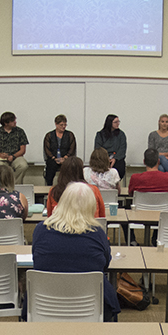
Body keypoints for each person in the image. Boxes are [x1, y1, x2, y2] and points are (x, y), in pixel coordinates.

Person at [32, 183, 121, 322]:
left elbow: (37, 261)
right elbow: (105, 264)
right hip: (90, 306)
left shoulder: (41, 230)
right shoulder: (97, 233)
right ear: (91, 206)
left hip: (45, 304)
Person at [0, 111, 29, 184]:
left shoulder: (20, 131)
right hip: (1, 158)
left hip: (16, 157)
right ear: (6, 123)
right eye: (13, 121)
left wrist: (13, 156)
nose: (15, 122)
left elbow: (22, 150)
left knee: (23, 165)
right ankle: (2, 187)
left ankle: (14, 184)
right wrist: (1, 155)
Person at [41, 114, 76, 187]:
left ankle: (68, 186)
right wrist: (54, 158)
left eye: (65, 125)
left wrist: (65, 158)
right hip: (53, 158)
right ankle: (49, 186)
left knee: (70, 165)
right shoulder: (49, 135)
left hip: (66, 158)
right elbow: (47, 149)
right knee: (51, 165)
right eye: (61, 125)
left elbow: (72, 148)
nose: (63, 127)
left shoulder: (70, 135)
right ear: (56, 124)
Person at [93, 113, 127, 180]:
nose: (118, 123)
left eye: (118, 121)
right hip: (103, 159)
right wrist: (106, 158)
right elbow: (98, 148)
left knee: (119, 167)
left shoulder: (121, 134)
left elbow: (122, 148)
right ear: (110, 123)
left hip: (117, 159)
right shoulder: (100, 134)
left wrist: (115, 158)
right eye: (115, 122)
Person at [146, 113, 168, 181]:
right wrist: (163, 156)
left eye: (166, 122)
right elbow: (151, 150)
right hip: (155, 160)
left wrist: (163, 156)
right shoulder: (153, 135)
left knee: (161, 167)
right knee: (160, 168)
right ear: (159, 122)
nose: (164, 124)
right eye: (162, 121)